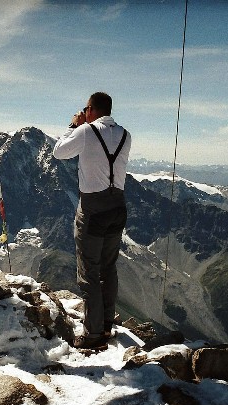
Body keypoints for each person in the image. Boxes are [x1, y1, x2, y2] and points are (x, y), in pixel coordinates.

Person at [52, 92, 132, 350]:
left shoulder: (86, 131)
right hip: (118, 206)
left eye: (86, 108)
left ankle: (93, 334)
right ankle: (107, 325)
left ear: (92, 109)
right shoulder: (125, 135)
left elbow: (59, 152)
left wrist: (74, 125)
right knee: (108, 268)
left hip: (93, 209)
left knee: (89, 273)